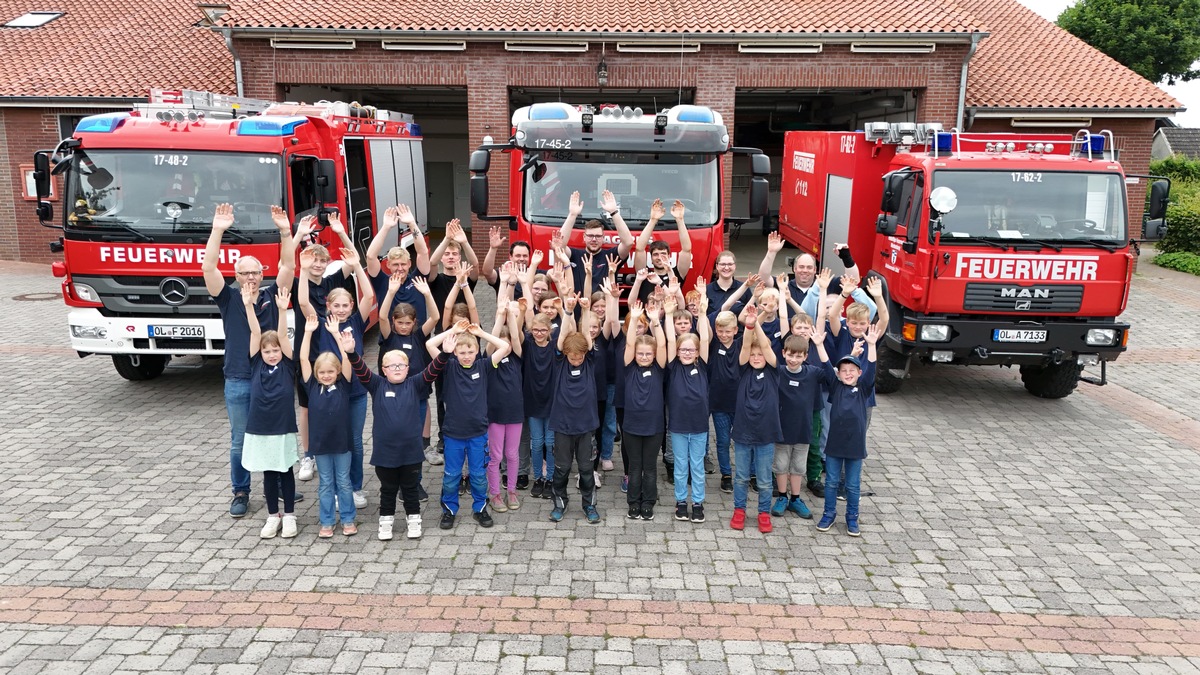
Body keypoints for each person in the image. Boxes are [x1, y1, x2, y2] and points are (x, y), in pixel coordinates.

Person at [203, 203, 297, 518]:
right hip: (240, 378)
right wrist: (217, 230)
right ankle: (241, 491)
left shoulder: (274, 295)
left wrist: (285, 232)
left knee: (279, 433)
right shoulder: (227, 297)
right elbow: (207, 269)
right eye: (244, 273)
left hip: (274, 378)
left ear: (262, 273)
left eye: (255, 272)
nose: (251, 277)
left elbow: (289, 265)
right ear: (236, 275)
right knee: (239, 440)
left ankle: (283, 488)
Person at [298, 244, 374, 511]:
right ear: (328, 305)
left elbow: (370, 298)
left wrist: (356, 267)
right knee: (334, 440)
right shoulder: (319, 322)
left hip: (354, 393)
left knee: (354, 440)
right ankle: (335, 488)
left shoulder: (355, 321)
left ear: (350, 305)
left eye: (345, 305)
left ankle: (354, 487)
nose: (341, 309)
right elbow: (304, 301)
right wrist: (305, 271)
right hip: (328, 395)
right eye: (336, 305)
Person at [347, 333, 445, 541]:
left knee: (410, 489)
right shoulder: (377, 385)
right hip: (385, 454)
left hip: (411, 452)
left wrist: (445, 353)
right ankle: (386, 521)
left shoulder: (415, 384)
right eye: (392, 366)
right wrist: (351, 353)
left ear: (408, 368)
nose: (397, 368)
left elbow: (433, 370)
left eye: (402, 364)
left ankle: (414, 519)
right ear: (383, 370)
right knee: (388, 489)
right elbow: (361, 371)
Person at [285, 213, 360, 484]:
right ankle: (309, 455)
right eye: (312, 260)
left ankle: (334, 449)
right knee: (306, 408)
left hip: (335, 356)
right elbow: (303, 302)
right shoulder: (298, 283)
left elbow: (353, 260)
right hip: (309, 354)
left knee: (335, 404)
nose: (317, 264)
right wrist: (301, 266)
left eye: (321, 260)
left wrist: (340, 231)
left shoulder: (333, 283)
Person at [426, 320, 511, 530]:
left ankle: (480, 509)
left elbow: (504, 347)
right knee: (452, 475)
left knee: (478, 475)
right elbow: (429, 345)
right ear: (454, 352)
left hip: (478, 434)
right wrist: (453, 331)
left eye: (470, 351)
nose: (466, 355)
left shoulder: (484, 365)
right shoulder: (449, 366)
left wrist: (481, 333)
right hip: (453, 434)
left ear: (477, 351)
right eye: (461, 351)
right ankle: (449, 510)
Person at [240, 286, 300, 539]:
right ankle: (272, 515)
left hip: (283, 426)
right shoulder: (256, 364)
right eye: (268, 351)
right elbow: (255, 331)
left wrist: (283, 310)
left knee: (285, 470)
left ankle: (289, 516)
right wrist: (247, 306)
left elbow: (284, 338)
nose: (272, 354)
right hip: (260, 427)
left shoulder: (287, 364)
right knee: (268, 472)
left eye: (275, 350)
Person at [813, 318, 879, 537]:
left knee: (852, 485)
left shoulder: (863, 389)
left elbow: (871, 369)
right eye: (843, 370)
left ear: (859, 373)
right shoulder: (836, 386)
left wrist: (871, 345)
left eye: (852, 370)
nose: (848, 373)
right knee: (831, 482)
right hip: (834, 446)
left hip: (855, 447)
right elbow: (824, 364)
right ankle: (829, 514)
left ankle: (852, 517)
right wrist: (820, 345)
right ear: (838, 373)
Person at [299, 314, 357, 538]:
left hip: (342, 443)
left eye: (330, 372)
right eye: (322, 372)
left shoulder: (344, 385)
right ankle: (326, 521)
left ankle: (348, 519)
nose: (326, 375)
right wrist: (308, 332)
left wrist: (335, 334)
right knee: (325, 483)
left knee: (343, 481)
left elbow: (347, 359)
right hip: (321, 445)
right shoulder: (312, 385)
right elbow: (304, 359)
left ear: (338, 372)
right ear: (316, 373)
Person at [427, 219, 480, 456]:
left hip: (467, 342)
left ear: (460, 257)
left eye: (454, 254)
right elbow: (431, 262)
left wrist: (463, 242)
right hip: (444, 342)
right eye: (447, 253)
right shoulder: (435, 280)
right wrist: (447, 239)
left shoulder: (467, 278)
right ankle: (443, 436)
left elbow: (476, 264)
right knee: (442, 395)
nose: (450, 257)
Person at [548, 295, 602, 524]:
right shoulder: (561, 361)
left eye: (580, 357)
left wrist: (586, 309)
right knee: (561, 468)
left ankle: (589, 504)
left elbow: (588, 341)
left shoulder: (589, 360)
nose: (576, 360)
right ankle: (560, 502)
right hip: (562, 425)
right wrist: (568, 313)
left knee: (587, 468)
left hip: (586, 426)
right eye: (573, 357)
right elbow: (561, 341)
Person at [730, 304, 781, 534]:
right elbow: (745, 345)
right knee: (741, 476)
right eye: (754, 354)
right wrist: (749, 324)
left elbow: (767, 347)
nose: (757, 357)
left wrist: (757, 324)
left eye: (760, 355)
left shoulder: (772, 370)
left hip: (766, 433)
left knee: (763, 479)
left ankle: (763, 512)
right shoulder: (743, 368)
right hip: (742, 432)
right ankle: (739, 510)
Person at [665, 283, 711, 523]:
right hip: (679, 426)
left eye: (691, 349)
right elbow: (671, 342)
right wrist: (670, 313)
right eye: (683, 349)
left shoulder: (701, 365)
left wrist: (702, 312)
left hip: (700, 426)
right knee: (681, 467)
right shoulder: (673, 366)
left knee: (698, 468)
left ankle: (698, 503)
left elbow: (703, 339)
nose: (686, 352)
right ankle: (681, 501)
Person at [770, 333, 826, 521]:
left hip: (803, 430)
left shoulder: (812, 373)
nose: (794, 360)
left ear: (805, 356)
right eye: (790, 355)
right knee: (781, 465)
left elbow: (831, 373)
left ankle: (795, 498)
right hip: (782, 431)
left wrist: (819, 345)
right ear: (783, 353)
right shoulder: (778, 372)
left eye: (798, 356)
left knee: (798, 467)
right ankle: (782, 497)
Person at [621, 302, 667, 521]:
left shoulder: (658, 369)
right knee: (634, 466)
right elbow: (630, 344)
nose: (644, 356)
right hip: (631, 425)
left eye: (649, 353)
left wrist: (655, 321)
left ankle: (648, 502)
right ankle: (633, 502)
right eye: (641, 353)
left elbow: (663, 345)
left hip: (654, 427)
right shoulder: (630, 368)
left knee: (649, 467)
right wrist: (635, 319)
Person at [486, 289, 525, 513]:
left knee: (512, 454)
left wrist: (511, 314)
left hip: (515, 413)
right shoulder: (490, 361)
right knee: (496, 456)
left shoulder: (517, 357)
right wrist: (499, 316)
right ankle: (495, 494)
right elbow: (492, 343)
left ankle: (511, 491)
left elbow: (515, 334)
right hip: (495, 414)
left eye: (507, 343)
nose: (504, 347)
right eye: (500, 344)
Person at [557, 190, 635, 294]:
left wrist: (614, 212)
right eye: (590, 236)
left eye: (598, 236)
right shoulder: (574, 255)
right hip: (577, 308)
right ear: (584, 237)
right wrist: (572, 215)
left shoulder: (611, 256)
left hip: (603, 308)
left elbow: (628, 242)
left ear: (603, 238)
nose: (594, 239)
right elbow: (559, 246)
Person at [707, 309, 742, 494]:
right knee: (722, 441)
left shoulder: (740, 344)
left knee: (743, 441)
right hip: (719, 404)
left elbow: (753, 327)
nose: (724, 335)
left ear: (736, 330)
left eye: (728, 331)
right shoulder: (713, 345)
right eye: (720, 331)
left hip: (740, 404)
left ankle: (749, 474)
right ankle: (726, 474)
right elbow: (705, 330)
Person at [634, 199, 692, 303]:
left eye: (663, 254)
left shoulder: (677, 274)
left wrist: (679, 220)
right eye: (655, 254)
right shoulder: (644, 275)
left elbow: (686, 250)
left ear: (670, 256)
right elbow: (639, 249)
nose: (659, 257)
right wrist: (653, 220)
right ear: (650, 259)